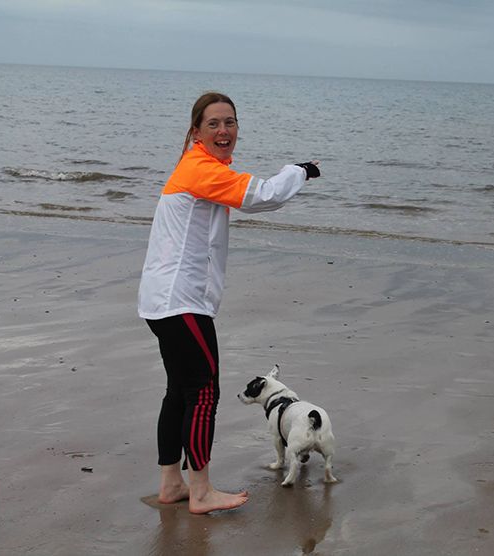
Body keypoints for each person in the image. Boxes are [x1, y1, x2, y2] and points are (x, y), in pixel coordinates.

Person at [138, 92, 321, 513]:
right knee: (202, 393)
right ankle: (200, 492)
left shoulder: (199, 169)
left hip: (164, 300)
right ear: (196, 132)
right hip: (179, 302)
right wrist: (299, 170)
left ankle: (172, 484)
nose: (224, 131)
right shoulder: (201, 169)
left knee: (179, 393)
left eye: (231, 123)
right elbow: (264, 195)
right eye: (214, 124)